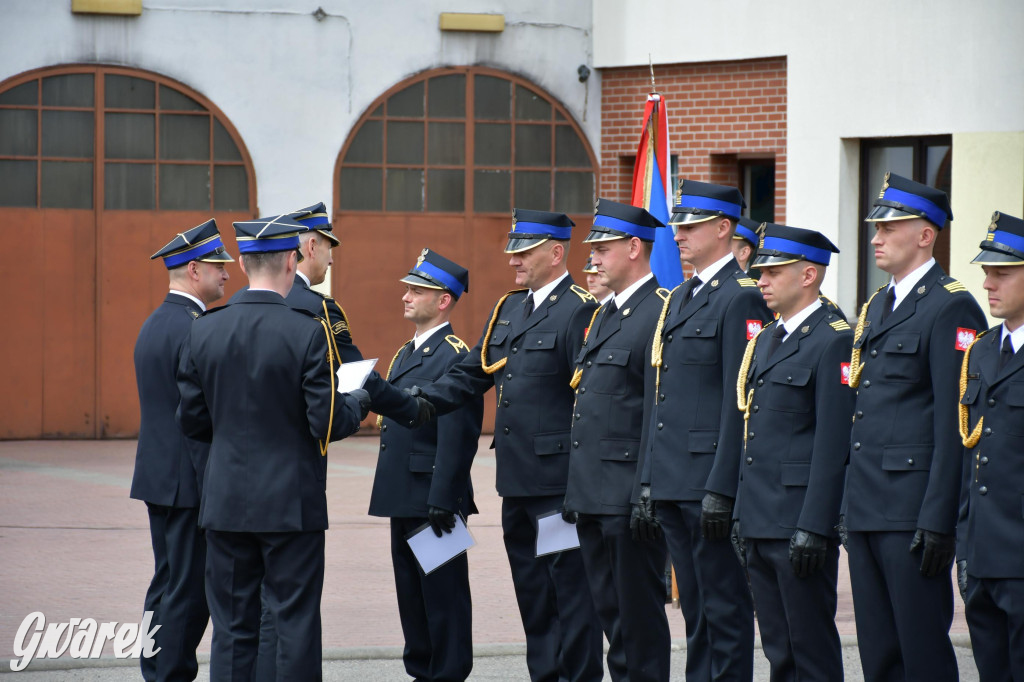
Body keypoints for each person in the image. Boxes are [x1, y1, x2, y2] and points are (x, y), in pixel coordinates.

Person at [176, 213, 398, 680]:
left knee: (232, 628)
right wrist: (358, 401)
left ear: (241, 263)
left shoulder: (204, 329)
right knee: (293, 622)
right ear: (292, 262)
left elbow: (192, 421)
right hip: (290, 504)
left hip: (226, 501)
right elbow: (326, 420)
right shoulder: (307, 330)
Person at [414, 209, 604, 682]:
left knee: (569, 594)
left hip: (558, 488)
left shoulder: (579, 309)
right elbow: (469, 376)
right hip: (517, 483)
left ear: (556, 253)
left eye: (524, 252)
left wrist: (582, 486)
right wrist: (409, 400)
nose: (513, 260)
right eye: (513, 252)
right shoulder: (510, 308)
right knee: (533, 595)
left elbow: (589, 402)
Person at [842, 172, 986, 681]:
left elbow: (955, 423)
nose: (876, 239)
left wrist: (940, 519)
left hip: (911, 512)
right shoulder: (876, 305)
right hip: (867, 506)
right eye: (876, 228)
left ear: (926, 235)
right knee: (879, 655)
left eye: (889, 228)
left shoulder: (951, 305)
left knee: (921, 653)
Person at [631, 179, 767, 681]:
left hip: (708, 483)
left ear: (724, 228)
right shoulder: (681, 296)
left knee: (724, 610)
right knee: (695, 611)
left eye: (692, 226)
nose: (679, 235)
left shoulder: (741, 297)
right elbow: (661, 396)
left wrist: (722, 487)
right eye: (679, 226)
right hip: (673, 480)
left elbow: (739, 402)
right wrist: (648, 479)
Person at [732, 223, 853, 680]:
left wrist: (816, 526)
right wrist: (742, 514)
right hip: (761, 518)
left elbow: (833, 442)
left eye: (773, 272)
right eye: (760, 271)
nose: (761, 280)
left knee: (810, 650)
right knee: (778, 650)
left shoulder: (833, 338)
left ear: (808, 275)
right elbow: (754, 434)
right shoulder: (766, 338)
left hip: (798, 522)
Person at [564, 198, 671, 682]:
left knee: (638, 620)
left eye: (603, 249)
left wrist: (646, 488)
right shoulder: (605, 313)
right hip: (593, 492)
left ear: (633, 248)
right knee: (611, 614)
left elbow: (656, 409)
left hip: (628, 495)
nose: (593, 259)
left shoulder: (660, 311)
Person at [368, 248, 483, 682]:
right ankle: (421, 672)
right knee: (412, 597)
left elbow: (459, 433)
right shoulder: (406, 352)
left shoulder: (453, 354)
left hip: (434, 499)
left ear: (443, 300)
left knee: (443, 598)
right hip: (404, 494)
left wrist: (445, 496)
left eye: (417, 291)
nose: (406, 296)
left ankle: (448, 674)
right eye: (408, 289)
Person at [131, 219, 231, 681]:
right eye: (218, 266)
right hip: (188, 480)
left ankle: (155, 668)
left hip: (160, 476)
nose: (226, 274)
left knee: (168, 580)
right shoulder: (194, 328)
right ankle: (168, 672)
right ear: (194, 270)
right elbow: (202, 413)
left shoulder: (156, 322)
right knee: (188, 590)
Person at [957, 211, 1024, 681]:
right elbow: (971, 454)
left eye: (1002, 273)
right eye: (986, 272)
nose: (987, 284)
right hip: (982, 556)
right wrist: (964, 544)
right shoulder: (980, 350)